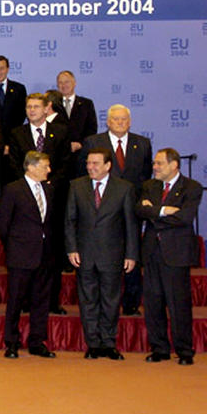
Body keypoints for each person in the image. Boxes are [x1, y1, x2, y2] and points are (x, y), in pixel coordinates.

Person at [65, 148, 138, 360]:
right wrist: (71, 249)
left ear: (108, 165)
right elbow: (70, 220)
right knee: (88, 300)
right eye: (88, 163)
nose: (91, 167)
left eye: (96, 163)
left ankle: (109, 342)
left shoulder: (124, 188)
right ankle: (93, 344)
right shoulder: (77, 186)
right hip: (84, 254)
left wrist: (131, 254)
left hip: (113, 254)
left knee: (110, 300)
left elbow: (130, 225)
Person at [80, 104, 152, 316]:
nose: (120, 123)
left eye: (124, 120)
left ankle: (130, 303)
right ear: (108, 122)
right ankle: (100, 304)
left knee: (132, 256)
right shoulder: (93, 142)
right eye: (115, 119)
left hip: (131, 210)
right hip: (100, 210)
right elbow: (82, 176)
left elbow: (146, 178)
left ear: (129, 122)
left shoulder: (143, 143)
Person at [137, 148, 201, 366]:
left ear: (174, 165)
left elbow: (185, 217)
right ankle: (159, 348)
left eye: (159, 164)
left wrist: (153, 211)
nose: (154, 167)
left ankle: (184, 350)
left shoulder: (191, 187)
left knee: (178, 304)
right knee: (153, 302)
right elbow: (140, 211)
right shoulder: (149, 186)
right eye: (154, 163)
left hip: (177, 253)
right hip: (151, 252)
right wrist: (164, 211)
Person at [8, 93, 70, 314]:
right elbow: (14, 164)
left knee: (52, 254)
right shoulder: (17, 133)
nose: (32, 110)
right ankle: (25, 302)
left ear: (47, 109)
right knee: (27, 257)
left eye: (36, 107)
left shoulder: (61, 132)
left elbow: (65, 163)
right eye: (28, 107)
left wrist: (49, 183)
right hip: (25, 201)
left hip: (54, 198)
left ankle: (52, 301)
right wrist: (30, 183)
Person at [0, 151, 57, 359]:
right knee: (15, 300)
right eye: (45, 166)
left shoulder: (49, 190)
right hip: (21, 255)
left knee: (41, 301)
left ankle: (37, 341)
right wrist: (15, 247)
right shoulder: (13, 190)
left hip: (45, 254)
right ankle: (12, 342)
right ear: (31, 167)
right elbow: (3, 225)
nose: (49, 170)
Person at [56, 71, 98, 154]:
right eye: (60, 82)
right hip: (59, 153)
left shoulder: (86, 104)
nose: (63, 85)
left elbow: (92, 128)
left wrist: (81, 144)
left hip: (81, 152)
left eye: (67, 82)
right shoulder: (53, 105)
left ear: (74, 83)